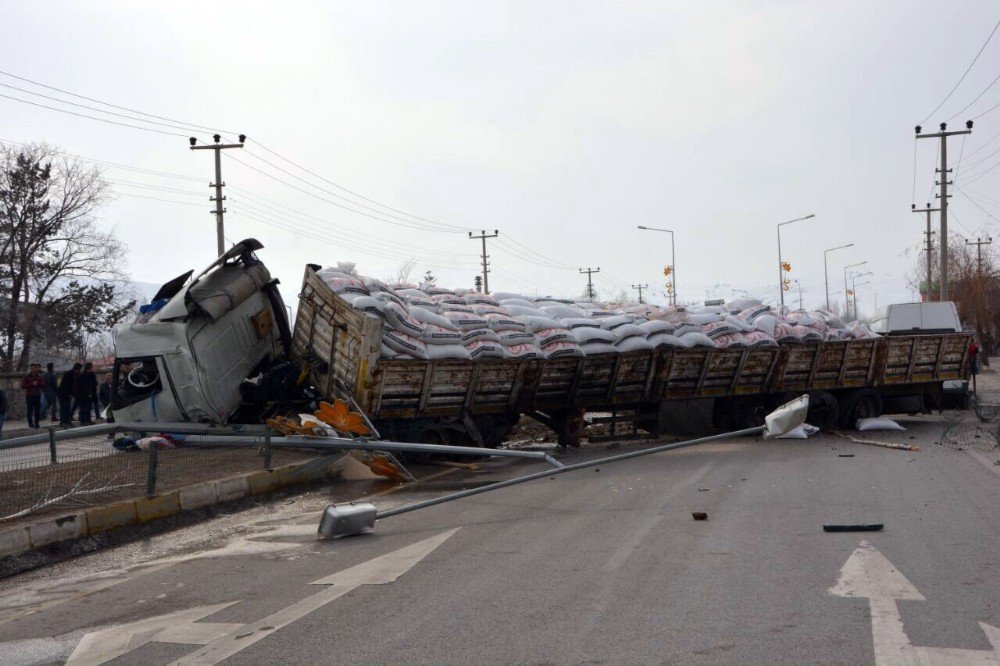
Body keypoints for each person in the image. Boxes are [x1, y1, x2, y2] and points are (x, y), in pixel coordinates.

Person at [20, 363, 44, 429]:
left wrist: (38, 383)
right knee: (29, 411)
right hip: (29, 396)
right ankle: (30, 424)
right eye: (31, 369)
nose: (33, 370)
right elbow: (23, 386)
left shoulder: (39, 376)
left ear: (36, 369)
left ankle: (37, 424)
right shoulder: (27, 377)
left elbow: (43, 384)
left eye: (34, 368)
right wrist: (31, 384)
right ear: (30, 369)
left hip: (37, 395)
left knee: (37, 410)